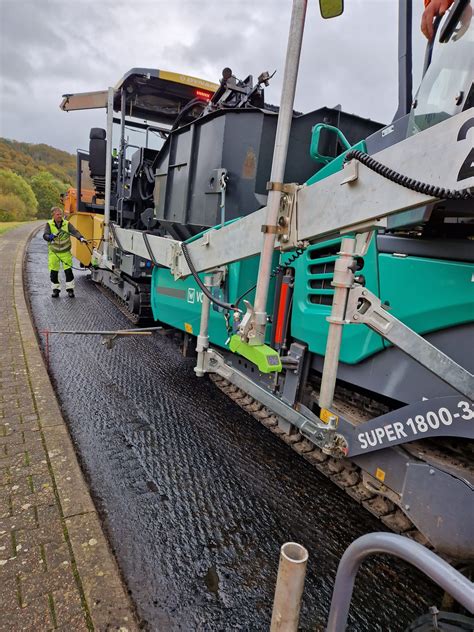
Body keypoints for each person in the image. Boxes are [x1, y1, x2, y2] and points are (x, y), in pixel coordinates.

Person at [43, 206, 86, 298]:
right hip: (54, 253)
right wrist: (50, 237)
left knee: (68, 272)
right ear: (53, 215)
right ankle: (56, 290)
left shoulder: (67, 224)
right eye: (57, 214)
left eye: (60, 214)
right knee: (54, 272)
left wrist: (81, 238)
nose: (59, 216)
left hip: (65, 252)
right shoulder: (49, 224)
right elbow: (45, 235)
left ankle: (70, 290)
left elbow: (75, 231)